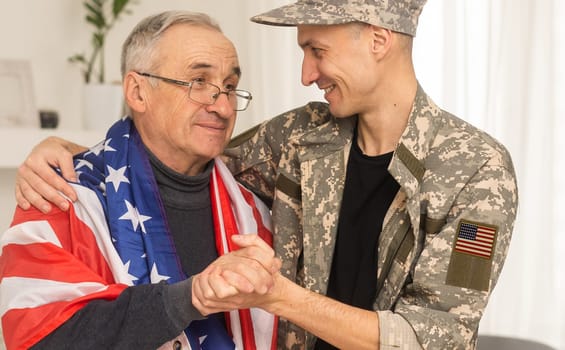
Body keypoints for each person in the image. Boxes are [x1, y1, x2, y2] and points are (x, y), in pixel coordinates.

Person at [13, 0, 519, 349]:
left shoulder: (477, 170)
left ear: (379, 40)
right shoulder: (302, 137)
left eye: (316, 50)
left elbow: (435, 339)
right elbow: (183, 151)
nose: (306, 74)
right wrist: (69, 154)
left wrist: (280, 298)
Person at [0, 10, 281, 350]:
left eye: (230, 87)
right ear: (137, 92)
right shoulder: (59, 194)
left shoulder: (255, 210)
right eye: (199, 83)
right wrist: (188, 298)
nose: (222, 107)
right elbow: (43, 337)